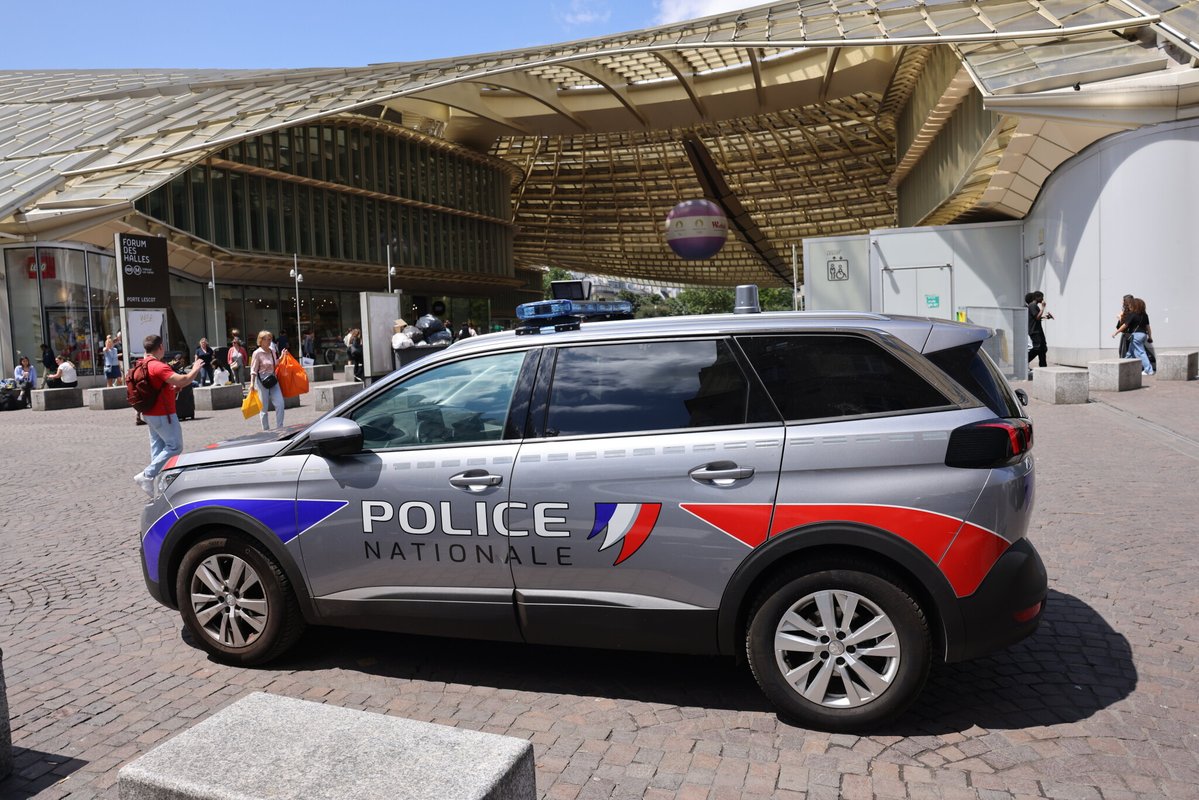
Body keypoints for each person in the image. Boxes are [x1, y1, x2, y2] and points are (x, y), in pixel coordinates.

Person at [133, 334, 204, 496]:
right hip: (163, 414)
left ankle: (160, 484)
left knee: (158, 449)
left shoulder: (142, 364)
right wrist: (195, 369)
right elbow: (183, 379)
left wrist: (172, 390)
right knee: (174, 446)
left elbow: (159, 387)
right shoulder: (158, 366)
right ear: (160, 347)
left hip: (149, 413)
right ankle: (147, 475)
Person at [251, 330, 285, 430]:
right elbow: (253, 369)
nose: (270, 341)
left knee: (280, 403)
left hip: (273, 379)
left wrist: (282, 356)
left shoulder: (272, 351)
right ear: (261, 341)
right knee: (263, 408)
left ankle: (280, 427)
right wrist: (252, 384)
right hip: (261, 381)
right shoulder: (257, 353)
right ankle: (266, 430)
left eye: (270, 339)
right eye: (267, 339)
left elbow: (276, 363)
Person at [1113, 296, 1154, 374]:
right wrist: (1150, 336)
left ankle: (1149, 370)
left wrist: (1116, 332)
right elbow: (1148, 327)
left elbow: (1125, 325)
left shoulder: (1132, 314)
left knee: (1141, 352)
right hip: (1143, 335)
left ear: (1135, 305)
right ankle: (1122, 368)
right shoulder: (1145, 315)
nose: (1131, 306)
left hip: (1136, 336)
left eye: (1132, 305)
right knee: (1130, 353)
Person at [1026, 291, 1053, 375]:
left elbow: (1037, 317)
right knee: (1037, 348)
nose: (1042, 299)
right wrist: (1043, 307)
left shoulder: (1034, 306)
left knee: (1043, 348)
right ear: (1037, 297)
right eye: (1042, 297)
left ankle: (1043, 368)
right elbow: (1037, 317)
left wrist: (1045, 317)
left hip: (1038, 330)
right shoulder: (1032, 305)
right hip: (1034, 331)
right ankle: (1024, 361)